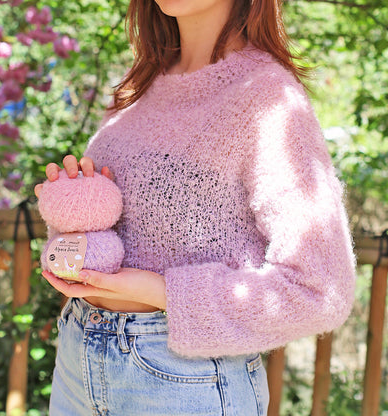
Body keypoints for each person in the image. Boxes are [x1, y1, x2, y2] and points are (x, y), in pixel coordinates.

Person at [35, 0, 356, 414]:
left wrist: (162, 292)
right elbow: (111, 228)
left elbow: (320, 288)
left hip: (182, 381)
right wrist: (74, 206)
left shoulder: (267, 97)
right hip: (78, 358)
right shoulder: (138, 87)